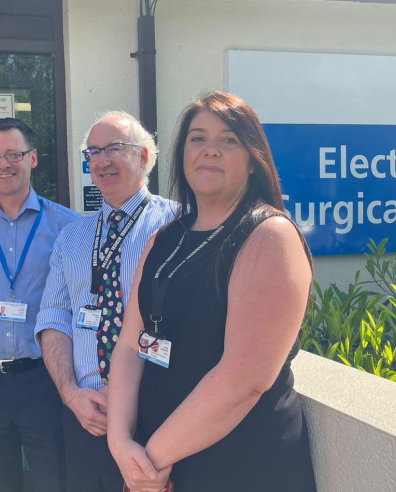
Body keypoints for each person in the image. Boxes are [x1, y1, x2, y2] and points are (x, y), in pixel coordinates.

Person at [106, 92, 317, 492]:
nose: (210, 151)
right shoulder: (164, 239)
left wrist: (149, 464)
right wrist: (120, 443)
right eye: (198, 138)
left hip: (237, 465)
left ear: (254, 159)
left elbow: (244, 379)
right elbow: (130, 345)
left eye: (229, 140)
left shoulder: (269, 236)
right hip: (158, 461)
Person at [35, 112, 176, 492]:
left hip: (153, 420)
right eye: (93, 152)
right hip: (83, 417)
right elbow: (53, 318)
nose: (101, 161)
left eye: (115, 148)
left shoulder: (178, 227)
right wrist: (71, 394)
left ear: (145, 156)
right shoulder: (72, 237)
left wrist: (122, 396)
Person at [0, 117, 79, 492]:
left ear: (33, 158)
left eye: (13, 154)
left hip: (46, 380)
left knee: (55, 479)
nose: (3, 165)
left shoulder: (69, 227)